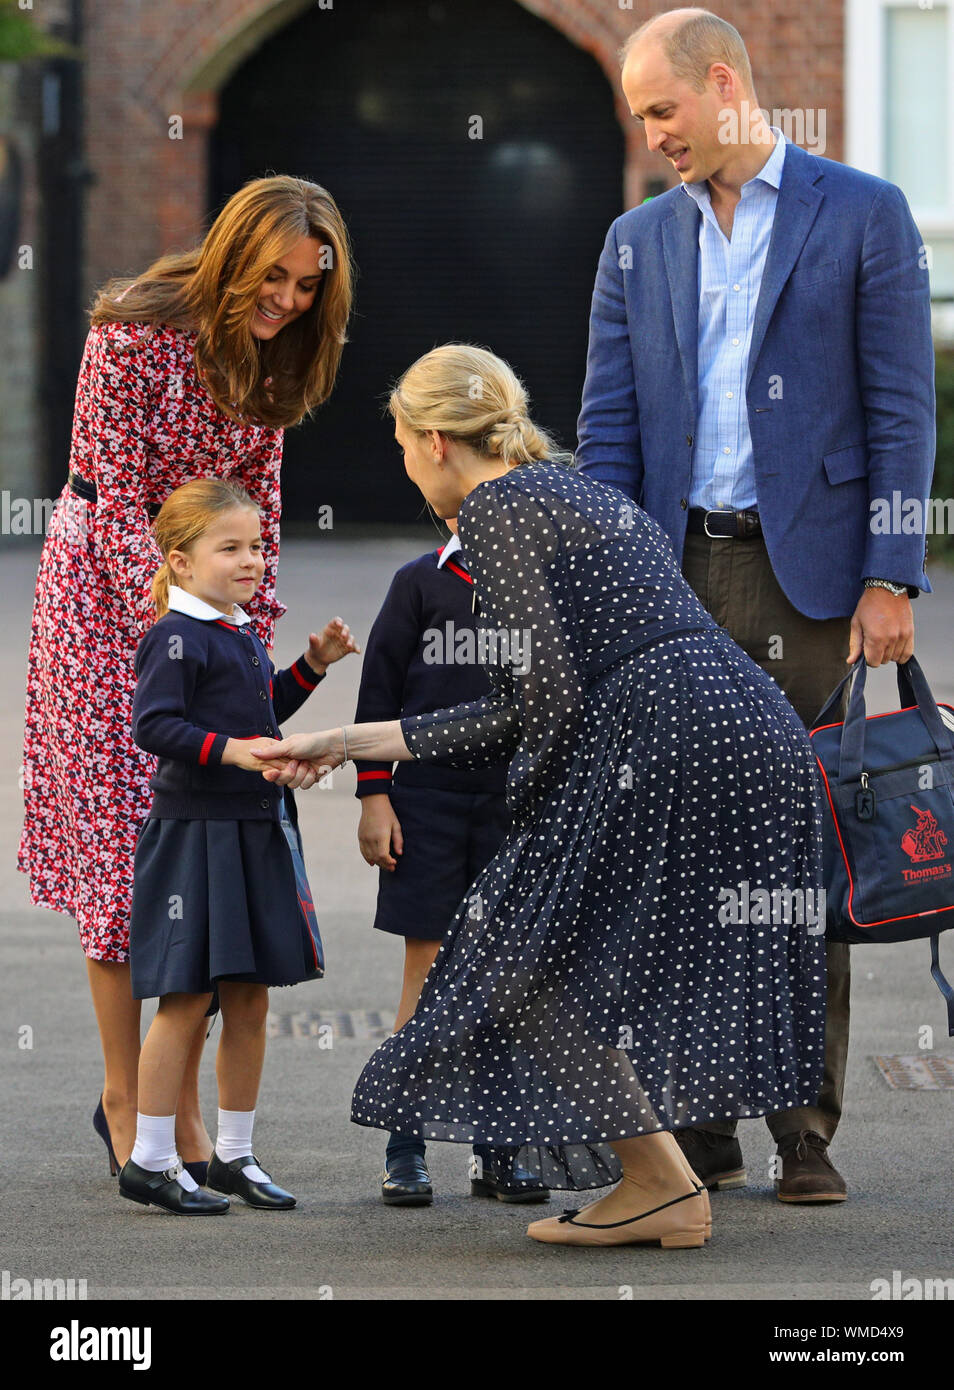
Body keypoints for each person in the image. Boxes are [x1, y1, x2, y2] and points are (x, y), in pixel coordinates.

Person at [253, 344, 827, 1250]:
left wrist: (529, 838)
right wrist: (346, 742)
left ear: (437, 440)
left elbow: (536, 705)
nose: (405, 468)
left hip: (660, 737)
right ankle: (665, 1183)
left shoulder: (496, 510)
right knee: (599, 962)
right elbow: (533, 696)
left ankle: (660, 1185)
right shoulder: (581, 490)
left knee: (518, 958)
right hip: (745, 728)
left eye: (403, 445)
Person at [575, 9, 935, 1202]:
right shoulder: (635, 242)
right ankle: (701, 1125)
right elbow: (608, 430)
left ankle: (807, 1131)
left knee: (798, 847)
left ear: (722, 84)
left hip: (814, 584)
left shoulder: (862, 210)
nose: (651, 136)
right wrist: (606, 590)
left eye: (661, 110)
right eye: (639, 119)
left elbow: (900, 407)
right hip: (674, 578)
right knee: (680, 854)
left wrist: (891, 575)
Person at [16, 174, 353, 1179]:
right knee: (129, 862)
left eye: (308, 285)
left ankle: (177, 1114)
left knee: (202, 861)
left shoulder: (280, 355)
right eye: (276, 275)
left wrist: (248, 644)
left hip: (208, 609)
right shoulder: (131, 328)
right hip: (101, 605)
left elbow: (262, 511)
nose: (289, 299)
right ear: (234, 249)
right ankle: (131, 1104)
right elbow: (117, 496)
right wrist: (183, 624)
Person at [118, 477, 359, 1215]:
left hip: (255, 832)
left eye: (256, 545)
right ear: (182, 562)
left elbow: (259, 713)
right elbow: (154, 728)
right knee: (185, 998)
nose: (252, 559)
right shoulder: (175, 634)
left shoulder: (238, 627)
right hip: (196, 838)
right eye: (231, 547)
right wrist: (237, 755)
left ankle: (234, 1155)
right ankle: (151, 1160)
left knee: (250, 998)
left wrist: (311, 667)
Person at [353, 515, 547, 1206]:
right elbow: (377, 695)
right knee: (427, 974)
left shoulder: (542, 583)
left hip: (514, 807)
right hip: (426, 803)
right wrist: (375, 798)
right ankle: (404, 1145)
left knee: (506, 980)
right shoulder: (419, 583)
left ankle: (501, 1147)